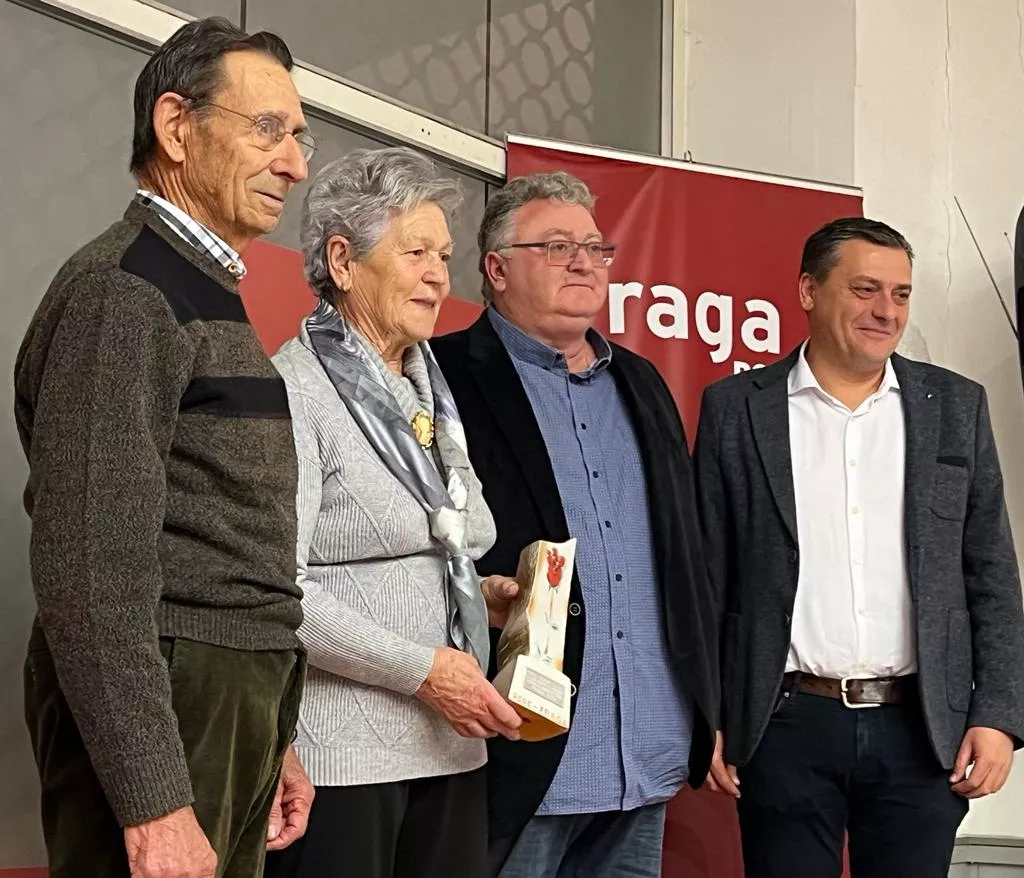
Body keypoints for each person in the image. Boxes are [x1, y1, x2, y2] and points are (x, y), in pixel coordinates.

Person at [15, 17, 317, 878]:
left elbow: (218, 540)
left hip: (217, 705)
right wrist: (154, 805)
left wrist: (272, 740)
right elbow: (90, 568)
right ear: (177, 127)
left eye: (300, 136)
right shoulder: (126, 295)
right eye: (269, 129)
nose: (294, 163)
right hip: (175, 702)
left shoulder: (197, 287)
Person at [694, 217, 1024, 878]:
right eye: (866, 289)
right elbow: (706, 576)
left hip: (922, 730)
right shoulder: (736, 408)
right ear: (809, 291)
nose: (886, 311)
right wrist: (706, 715)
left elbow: (991, 572)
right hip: (782, 724)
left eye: (901, 294)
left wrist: (998, 715)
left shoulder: (955, 407)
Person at [430, 171, 718, 878]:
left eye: (595, 247)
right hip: (517, 750)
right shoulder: (440, 377)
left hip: (644, 747)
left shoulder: (643, 382)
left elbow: (682, 558)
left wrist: (704, 706)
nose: (586, 262)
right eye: (557, 247)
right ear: (496, 269)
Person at [262, 147, 521, 878]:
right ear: (343, 262)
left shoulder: (427, 387)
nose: (441, 275)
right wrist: (421, 671)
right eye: (416, 252)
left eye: (443, 254)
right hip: (344, 763)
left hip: (453, 747)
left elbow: (443, 543)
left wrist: (481, 595)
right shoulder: (296, 392)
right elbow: (279, 592)